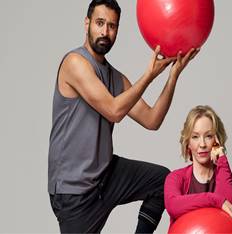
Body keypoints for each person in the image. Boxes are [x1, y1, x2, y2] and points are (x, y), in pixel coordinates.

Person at [47, 0, 199, 233]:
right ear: (87, 23)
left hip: (106, 176)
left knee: (162, 182)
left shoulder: (115, 78)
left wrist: (173, 76)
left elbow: (152, 120)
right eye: (99, 23)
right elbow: (114, 111)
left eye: (112, 26)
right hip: (74, 193)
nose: (105, 32)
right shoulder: (74, 63)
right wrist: (148, 76)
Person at [164, 105, 232, 228]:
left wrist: (222, 160)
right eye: (195, 137)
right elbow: (173, 206)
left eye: (208, 136)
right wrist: (215, 200)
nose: (202, 144)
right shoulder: (175, 178)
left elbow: (224, 218)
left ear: (217, 140)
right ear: (188, 143)